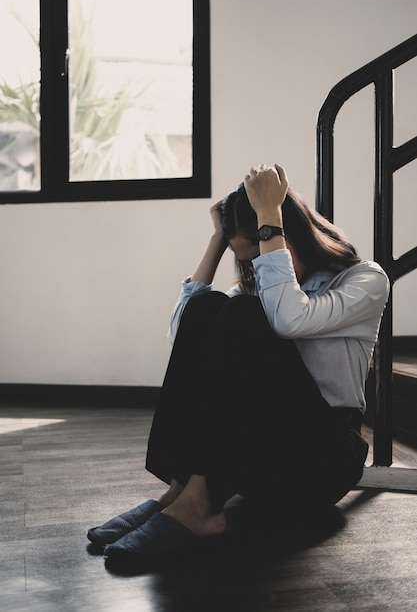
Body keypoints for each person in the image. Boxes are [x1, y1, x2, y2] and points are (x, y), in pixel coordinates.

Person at [87, 163, 390, 564]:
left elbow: (288, 318)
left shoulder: (363, 280)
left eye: (260, 252)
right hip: (267, 454)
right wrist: (217, 241)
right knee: (207, 306)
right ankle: (179, 493)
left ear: (287, 235)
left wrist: (269, 217)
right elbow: (184, 336)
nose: (256, 268)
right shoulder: (255, 286)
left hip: (323, 462)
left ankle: (196, 505)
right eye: (248, 261)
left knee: (246, 313)